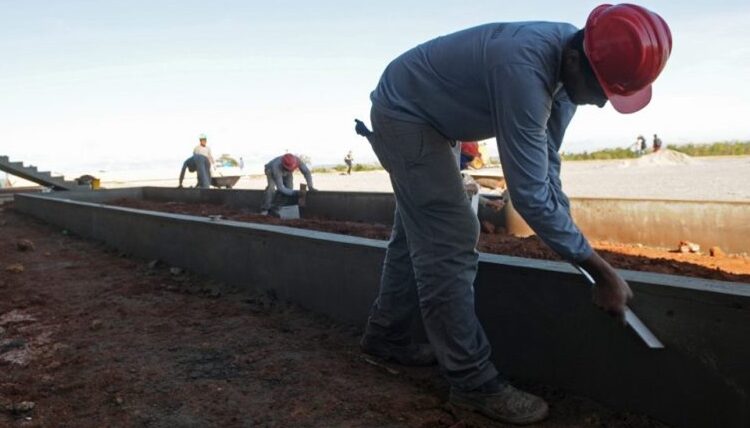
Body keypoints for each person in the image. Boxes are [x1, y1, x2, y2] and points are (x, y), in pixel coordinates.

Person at [355, 4, 671, 425]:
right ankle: (472, 383)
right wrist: (598, 268)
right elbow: (527, 194)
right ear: (578, 59)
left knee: (419, 231)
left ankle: (387, 336)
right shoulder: (525, 70)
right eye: (602, 91)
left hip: (434, 116)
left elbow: (545, 167)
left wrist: (571, 232)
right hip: (406, 114)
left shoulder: (570, 67)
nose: (599, 104)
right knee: (449, 236)